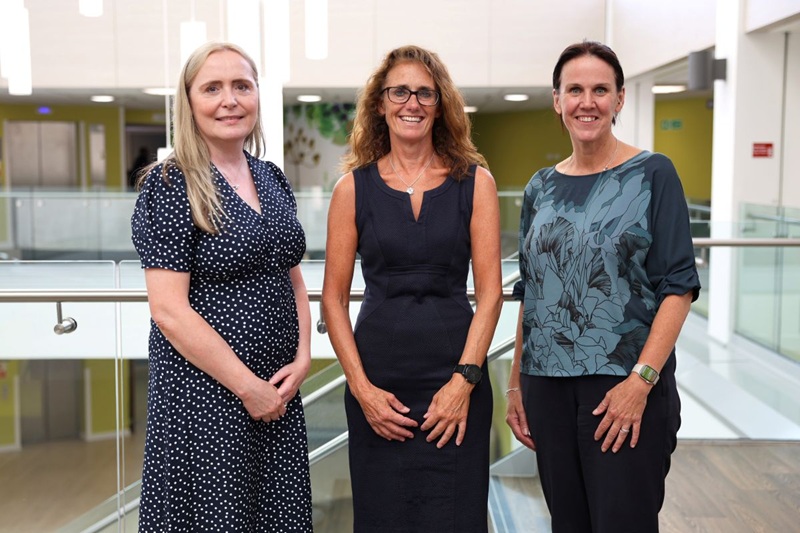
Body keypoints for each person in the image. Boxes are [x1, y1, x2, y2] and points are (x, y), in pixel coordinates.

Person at [505, 40, 701, 533]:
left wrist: (641, 382)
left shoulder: (653, 174)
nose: (586, 101)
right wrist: (514, 384)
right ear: (557, 100)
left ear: (619, 99)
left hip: (624, 386)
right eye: (575, 89)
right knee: (567, 523)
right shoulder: (539, 187)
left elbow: (678, 288)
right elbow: (533, 290)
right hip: (546, 388)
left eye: (599, 89)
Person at [130, 41, 313, 532]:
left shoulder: (270, 177)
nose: (229, 100)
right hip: (207, 399)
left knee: (275, 516)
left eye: (242, 86)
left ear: (257, 96)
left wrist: (302, 355)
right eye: (212, 88)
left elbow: (291, 274)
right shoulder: (170, 184)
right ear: (188, 103)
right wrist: (247, 387)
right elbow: (168, 310)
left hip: (276, 392)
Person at [322, 45, 503, 532]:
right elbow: (333, 300)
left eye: (425, 93)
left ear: (440, 104)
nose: (412, 103)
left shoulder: (476, 183)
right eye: (399, 91)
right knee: (383, 517)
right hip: (379, 387)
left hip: (456, 380)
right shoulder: (351, 189)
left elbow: (491, 295)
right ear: (380, 103)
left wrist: (464, 383)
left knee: (457, 517)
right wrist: (361, 390)